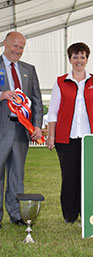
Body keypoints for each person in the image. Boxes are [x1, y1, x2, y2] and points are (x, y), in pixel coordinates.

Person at [47, 42, 93, 224]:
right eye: (75, 57)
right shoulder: (60, 82)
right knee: (69, 177)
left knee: (89, 177)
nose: (79, 60)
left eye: (82, 56)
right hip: (66, 138)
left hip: (92, 139)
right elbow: (53, 111)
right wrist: (51, 135)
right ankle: (69, 214)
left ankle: (87, 213)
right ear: (70, 59)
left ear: (87, 59)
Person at [0, 32, 43, 227]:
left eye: (22, 47)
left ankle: (17, 215)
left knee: (18, 174)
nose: (18, 50)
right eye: (15, 45)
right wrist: (2, 95)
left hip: (21, 131)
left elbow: (36, 101)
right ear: (4, 43)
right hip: (1, 128)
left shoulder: (29, 70)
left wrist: (37, 125)